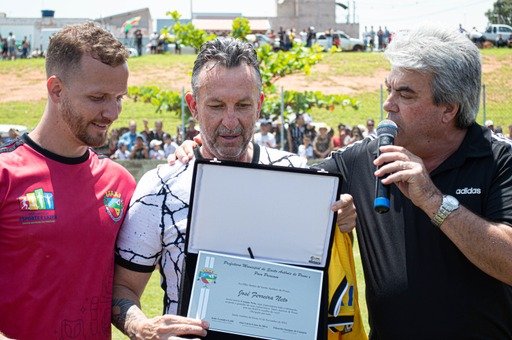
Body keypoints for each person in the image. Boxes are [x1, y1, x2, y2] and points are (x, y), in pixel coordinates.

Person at [112, 37, 364, 339]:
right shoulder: (160, 188)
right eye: (216, 106)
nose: (230, 121)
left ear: (259, 105)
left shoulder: (299, 177)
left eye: (243, 105)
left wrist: (342, 218)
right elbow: (122, 288)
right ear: (193, 106)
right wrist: (141, 327)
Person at [315, 24, 512, 338]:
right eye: (390, 88)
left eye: (405, 94)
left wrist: (433, 201)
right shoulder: (361, 159)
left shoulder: (500, 159)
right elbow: (292, 188)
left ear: (448, 108)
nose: (388, 103)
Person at [0, 22, 136, 339]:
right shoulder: (6, 175)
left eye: (119, 97)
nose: (112, 112)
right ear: (56, 89)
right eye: (98, 97)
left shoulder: (121, 183)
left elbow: (126, 285)